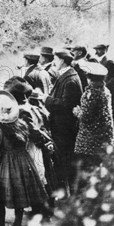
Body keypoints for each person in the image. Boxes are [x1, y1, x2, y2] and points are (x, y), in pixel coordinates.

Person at [0, 90, 48, 226]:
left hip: (8, 164)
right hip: (25, 162)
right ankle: (17, 223)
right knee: (20, 192)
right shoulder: (22, 125)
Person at [44, 49, 83, 193]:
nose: (54, 62)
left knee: (65, 161)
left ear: (62, 60)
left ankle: (69, 195)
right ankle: (67, 194)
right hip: (62, 127)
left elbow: (66, 105)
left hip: (64, 128)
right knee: (63, 161)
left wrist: (46, 99)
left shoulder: (70, 79)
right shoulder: (67, 76)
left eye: (55, 59)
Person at [73, 63, 114, 187]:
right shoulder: (105, 90)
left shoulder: (90, 93)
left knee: (86, 173)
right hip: (104, 138)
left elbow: (85, 118)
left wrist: (77, 112)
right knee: (99, 169)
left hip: (89, 140)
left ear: (89, 77)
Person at [93, 44, 114, 131]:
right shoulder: (99, 61)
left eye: (98, 50)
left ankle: (113, 135)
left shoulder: (109, 61)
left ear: (104, 50)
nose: (96, 52)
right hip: (102, 92)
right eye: (96, 49)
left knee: (111, 113)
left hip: (109, 92)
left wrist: (106, 85)